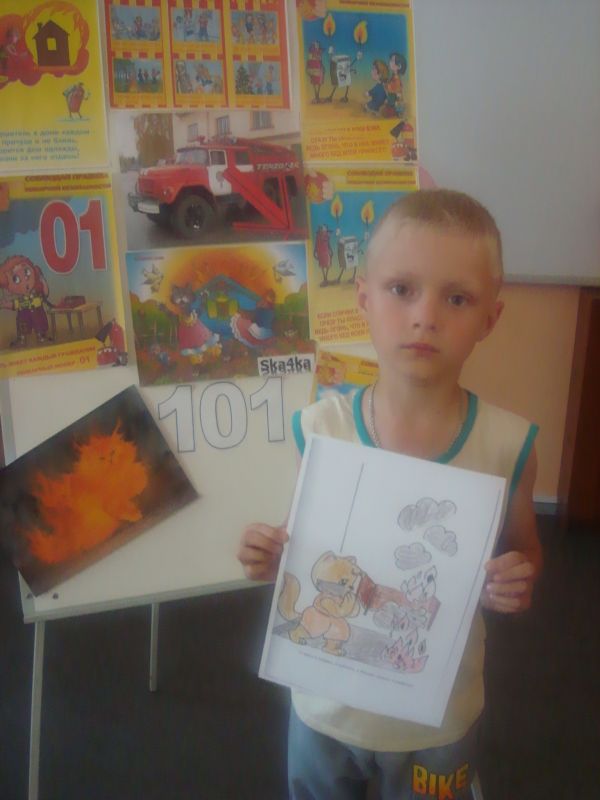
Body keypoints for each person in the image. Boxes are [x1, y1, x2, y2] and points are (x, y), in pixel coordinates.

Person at [237, 189, 543, 799]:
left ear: (489, 319)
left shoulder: (509, 445)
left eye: (456, 298)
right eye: (402, 289)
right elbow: (302, 543)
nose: (425, 316)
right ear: (364, 299)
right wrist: (267, 554)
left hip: (439, 716)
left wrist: (517, 578)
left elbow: (525, 552)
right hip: (325, 707)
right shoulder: (320, 429)